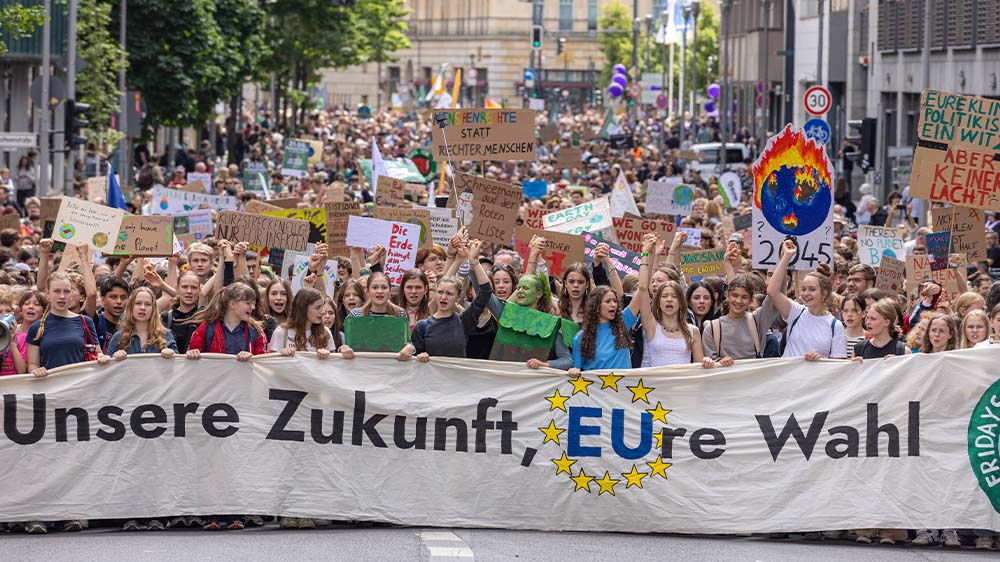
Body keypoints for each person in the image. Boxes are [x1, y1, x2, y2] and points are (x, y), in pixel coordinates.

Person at [101, 286, 178, 532]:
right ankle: (130, 512)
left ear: (153, 308)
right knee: (130, 462)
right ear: (131, 308)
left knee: (157, 462)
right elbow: (105, 370)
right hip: (129, 409)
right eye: (139, 304)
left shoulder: (165, 335)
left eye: (147, 304)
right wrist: (112, 360)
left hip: (158, 409)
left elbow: (182, 371)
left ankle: (157, 513)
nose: (143, 308)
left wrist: (171, 356)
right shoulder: (119, 338)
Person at [24, 272, 96, 533]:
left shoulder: (85, 322)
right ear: (49, 294)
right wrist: (36, 371)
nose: (63, 297)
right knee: (45, 457)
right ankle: (39, 514)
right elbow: (32, 363)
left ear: (75, 294)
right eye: (57, 292)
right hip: (49, 400)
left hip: (78, 401)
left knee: (75, 458)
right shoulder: (37, 327)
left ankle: (74, 511)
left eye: (67, 292)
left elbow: (94, 355)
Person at [399, 240, 492, 361]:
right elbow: (413, 355)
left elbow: (486, 292)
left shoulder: (464, 321)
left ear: (458, 297)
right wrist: (416, 353)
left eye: (449, 293)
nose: (443, 297)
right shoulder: (422, 326)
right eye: (440, 292)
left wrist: (474, 261)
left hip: (456, 379)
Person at [766, 239, 847, 360]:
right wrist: (786, 257)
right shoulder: (796, 312)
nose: (806, 294)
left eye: (812, 289)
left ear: (824, 293)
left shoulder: (835, 326)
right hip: (788, 377)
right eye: (803, 289)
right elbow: (772, 291)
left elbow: (838, 365)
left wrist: (821, 359)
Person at [568, 285, 637, 375]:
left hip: (623, 387)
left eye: (615, 301)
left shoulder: (623, 322)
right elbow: (576, 369)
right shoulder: (581, 338)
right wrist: (573, 371)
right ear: (596, 305)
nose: (613, 304)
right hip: (597, 388)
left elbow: (642, 290)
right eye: (608, 301)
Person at [0, 290, 47, 376]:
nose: (4, 315)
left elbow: (22, 371)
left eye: (8, 311)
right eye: (26, 303)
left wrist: (12, 343)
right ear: (21, 310)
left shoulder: (23, 337)